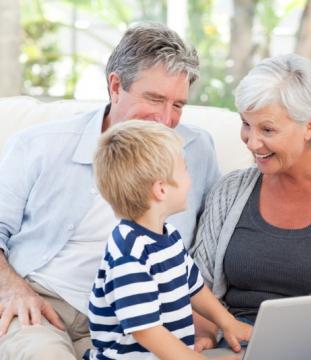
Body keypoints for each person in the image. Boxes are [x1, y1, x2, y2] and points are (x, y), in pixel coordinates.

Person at [0, 23, 220, 359]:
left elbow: (206, 246)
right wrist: (11, 289)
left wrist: (205, 317)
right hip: (42, 304)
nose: (165, 118)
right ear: (115, 86)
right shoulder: (40, 146)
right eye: (155, 99)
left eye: (178, 105)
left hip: (138, 320)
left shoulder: (195, 149)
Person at [190, 53, 311, 349]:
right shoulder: (229, 191)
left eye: (267, 129)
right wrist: (204, 337)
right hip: (234, 349)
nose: (252, 142)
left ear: (310, 125)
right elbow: (200, 283)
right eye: (246, 125)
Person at [85, 120, 250, 360]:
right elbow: (147, 331)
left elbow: (193, 287)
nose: (190, 179)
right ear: (161, 189)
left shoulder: (168, 236)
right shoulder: (129, 253)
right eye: (184, 169)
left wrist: (228, 323)